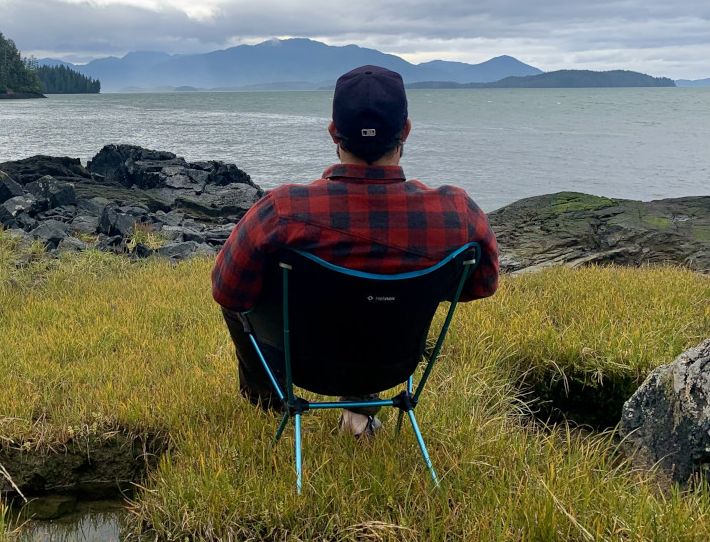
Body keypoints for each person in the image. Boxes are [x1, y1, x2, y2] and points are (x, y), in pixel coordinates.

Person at [211, 64, 499, 437]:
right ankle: (361, 411)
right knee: (380, 298)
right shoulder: (459, 214)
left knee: (243, 299)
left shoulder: (282, 211)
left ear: (334, 132)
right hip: (395, 362)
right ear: (406, 130)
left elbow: (227, 291)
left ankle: (267, 399)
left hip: (302, 363)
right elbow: (480, 286)